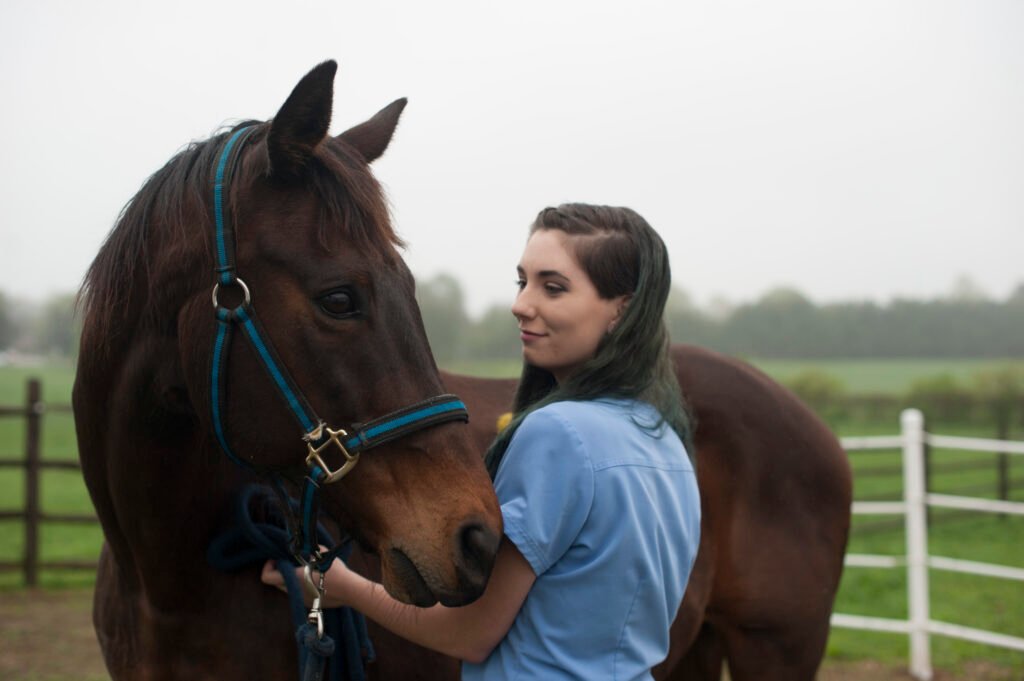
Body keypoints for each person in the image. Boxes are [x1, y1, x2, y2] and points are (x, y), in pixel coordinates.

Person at [263, 203, 701, 680]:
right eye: (522, 282)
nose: (521, 304)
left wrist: (342, 586)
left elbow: (469, 634)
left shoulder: (557, 434)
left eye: (553, 287)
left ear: (622, 310)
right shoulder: (666, 441)